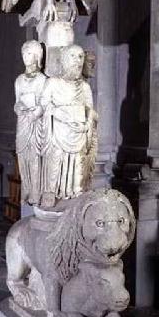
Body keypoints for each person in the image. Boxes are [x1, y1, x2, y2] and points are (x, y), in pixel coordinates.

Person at [40, 44, 97, 208]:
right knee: (56, 161)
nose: (78, 61)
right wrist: (61, 115)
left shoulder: (85, 87)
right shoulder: (53, 83)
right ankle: (51, 192)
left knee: (78, 163)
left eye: (80, 56)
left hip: (78, 131)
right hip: (59, 130)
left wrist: (87, 122)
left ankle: (76, 192)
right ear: (64, 60)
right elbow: (44, 105)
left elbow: (90, 109)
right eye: (73, 56)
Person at [14, 40, 46, 205]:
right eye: (25, 54)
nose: (26, 57)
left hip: (35, 123)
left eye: (30, 54)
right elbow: (16, 101)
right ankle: (26, 189)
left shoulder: (41, 79)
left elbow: (44, 103)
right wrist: (18, 107)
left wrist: (37, 111)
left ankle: (35, 191)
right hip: (23, 123)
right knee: (22, 156)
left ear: (37, 57)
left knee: (34, 157)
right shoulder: (19, 80)